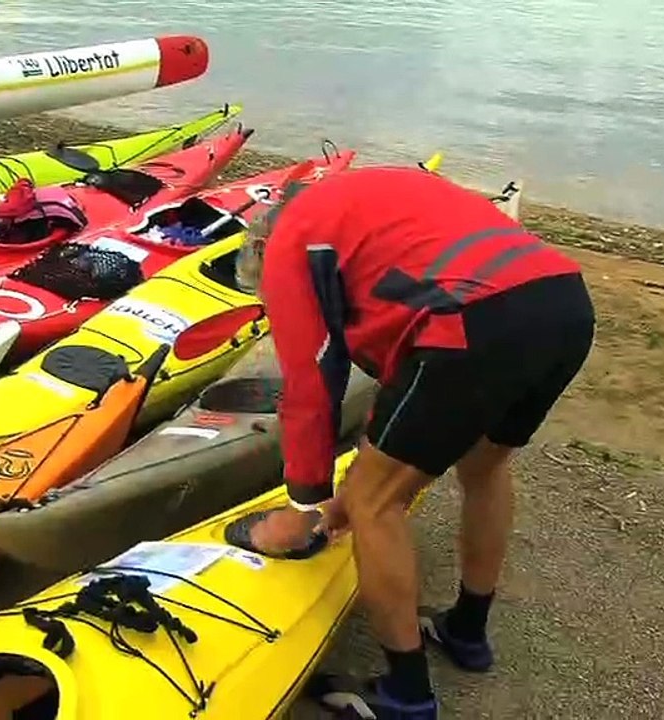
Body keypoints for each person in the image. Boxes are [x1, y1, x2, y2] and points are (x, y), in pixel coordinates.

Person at [224, 165, 597, 718]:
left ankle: (406, 696)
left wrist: (305, 509)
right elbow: (405, 373)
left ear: (260, 244)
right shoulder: (374, 193)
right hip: (563, 303)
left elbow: (308, 388)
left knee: (378, 504)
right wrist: (370, 461)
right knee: (485, 466)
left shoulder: (290, 244)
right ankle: (467, 632)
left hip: (470, 321)